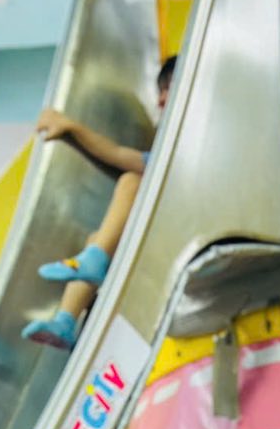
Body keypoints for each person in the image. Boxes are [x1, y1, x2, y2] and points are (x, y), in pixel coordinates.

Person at [24, 54, 177, 352]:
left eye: (168, 88)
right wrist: (70, 129)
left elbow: (123, 161)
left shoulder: (192, 147)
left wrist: (71, 128)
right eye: (159, 91)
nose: (160, 100)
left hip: (183, 229)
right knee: (97, 238)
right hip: (162, 231)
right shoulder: (164, 152)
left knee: (131, 180)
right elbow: (117, 154)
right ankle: (65, 321)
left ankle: (95, 260)